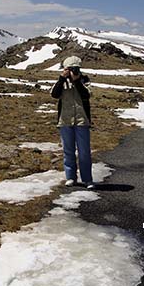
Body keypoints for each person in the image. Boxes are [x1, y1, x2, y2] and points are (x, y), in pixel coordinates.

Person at [50, 56, 94, 189]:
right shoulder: (62, 81)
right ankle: (70, 177)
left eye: (76, 69)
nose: (74, 71)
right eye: (70, 69)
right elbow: (54, 94)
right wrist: (62, 78)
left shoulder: (84, 80)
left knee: (84, 151)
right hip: (65, 120)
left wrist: (76, 82)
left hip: (81, 120)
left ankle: (87, 179)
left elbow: (87, 94)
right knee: (68, 151)